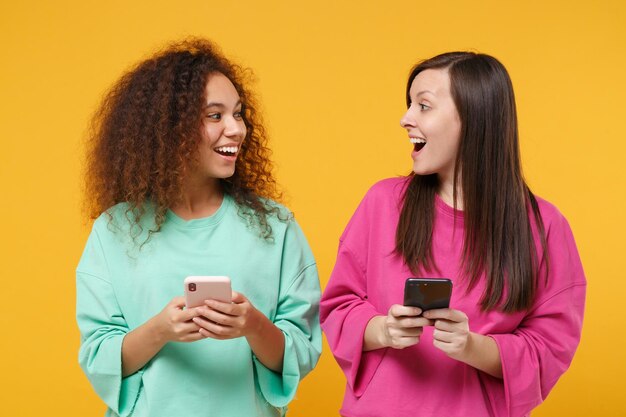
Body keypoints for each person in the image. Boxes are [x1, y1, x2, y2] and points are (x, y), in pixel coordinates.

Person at [320, 52, 586, 417]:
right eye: (409, 104)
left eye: (423, 106)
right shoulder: (381, 202)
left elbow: (550, 349)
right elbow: (337, 306)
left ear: (474, 118)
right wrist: (382, 330)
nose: (406, 119)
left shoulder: (545, 227)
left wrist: (471, 346)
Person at [76, 38, 321, 417]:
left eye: (238, 114)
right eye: (214, 115)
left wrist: (252, 324)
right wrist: (161, 329)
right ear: (168, 129)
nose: (236, 129)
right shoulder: (114, 231)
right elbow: (97, 356)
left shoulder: (276, 227)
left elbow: (302, 351)